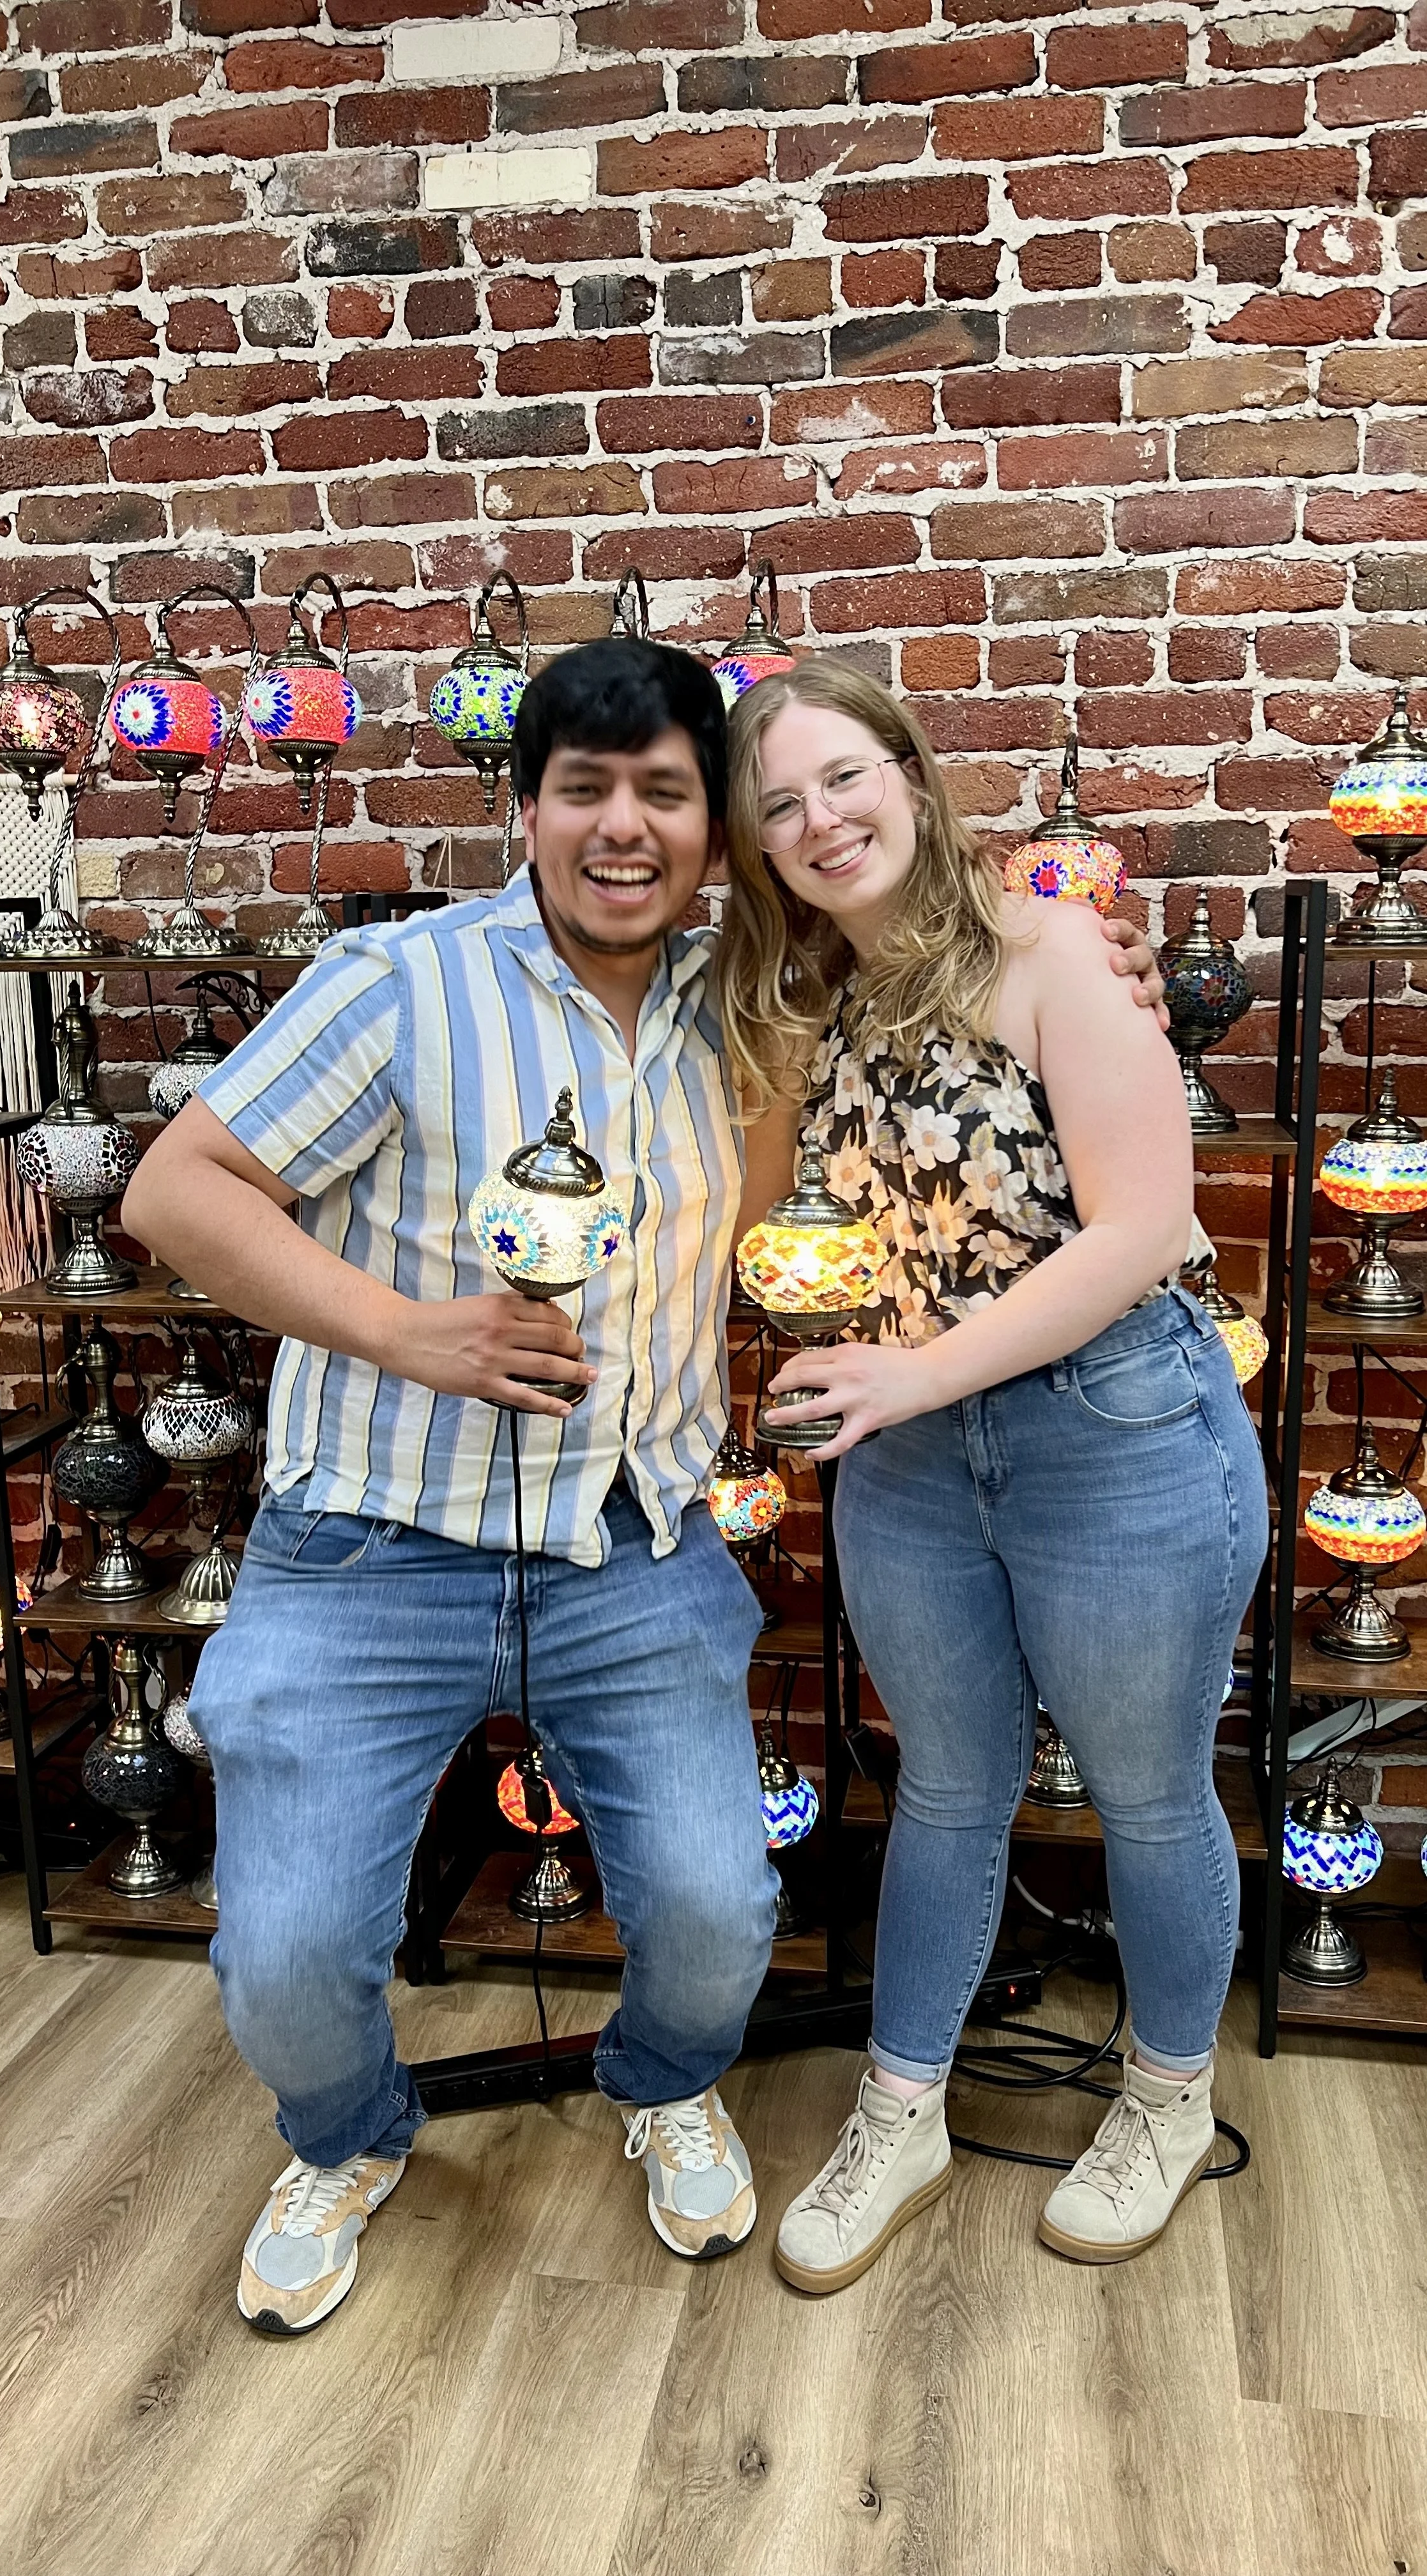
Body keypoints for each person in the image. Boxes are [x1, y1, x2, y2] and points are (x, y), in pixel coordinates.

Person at [121, 634, 1164, 2338]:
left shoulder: (753, 995)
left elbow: (943, 930)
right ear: (524, 808)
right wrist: (410, 1335)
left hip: (630, 1547)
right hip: (366, 1549)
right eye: (582, 789)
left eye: (664, 793)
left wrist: (1073, 943)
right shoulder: (400, 982)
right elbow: (179, 1190)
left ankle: (662, 2081)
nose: (624, 827)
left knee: (712, 1910)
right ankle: (346, 2137)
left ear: (714, 826)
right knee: (290, 1957)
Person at [716, 658, 1269, 2294]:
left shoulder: (1045, 953)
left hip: (1113, 1432)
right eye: (779, 808)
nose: (820, 822)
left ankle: (1167, 2101)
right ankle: (904, 2110)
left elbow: (1144, 1228)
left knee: (1152, 1794)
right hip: (910, 1456)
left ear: (909, 768)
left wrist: (914, 1372)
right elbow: (764, 1233)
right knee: (945, 1790)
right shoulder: (803, 1005)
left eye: (842, 778)